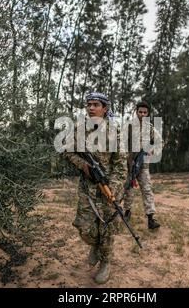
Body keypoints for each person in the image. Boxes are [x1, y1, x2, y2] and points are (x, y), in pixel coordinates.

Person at [63, 92, 127, 284]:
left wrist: (113, 189)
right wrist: (83, 166)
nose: (91, 108)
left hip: (109, 188)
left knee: (107, 228)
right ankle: (95, 245)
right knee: (85, 228)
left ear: (105, 108)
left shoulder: (115, 132)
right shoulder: (78, 129)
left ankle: (106, 262)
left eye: (95, 105)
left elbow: (121, 165)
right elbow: (67, 151)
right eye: (88, 104)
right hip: (87, 188)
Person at [123, 101, 161, 230]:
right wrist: (127, 158)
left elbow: (159, 142)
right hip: (129, 162)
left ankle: (151, 218)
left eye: (145, 112)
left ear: (148, 113)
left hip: (143, 164)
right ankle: (127, 212)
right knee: (128, 189)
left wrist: (152, 151)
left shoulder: (150, 128)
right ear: (136, 111)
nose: (142, 114)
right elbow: (121, 143)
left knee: (147, 189)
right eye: (140, 112)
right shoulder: (128, 126)